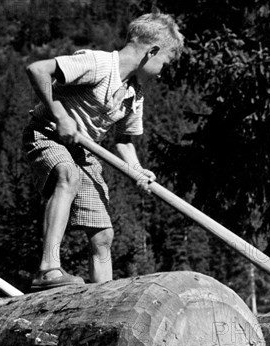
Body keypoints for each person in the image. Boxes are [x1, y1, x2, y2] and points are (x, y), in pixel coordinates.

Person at [23, 13, 184, 290]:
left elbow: (124, 140)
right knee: (67, 175)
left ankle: (104, 299)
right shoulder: (98, 64)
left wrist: (137, 170)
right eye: (164, 64)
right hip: (47, 133)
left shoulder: (135, 93)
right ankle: (48, 268)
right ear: (152, 52)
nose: (161, 73)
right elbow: (38, 70)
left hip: (84, 152)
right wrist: (60, 115)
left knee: (103, 235)